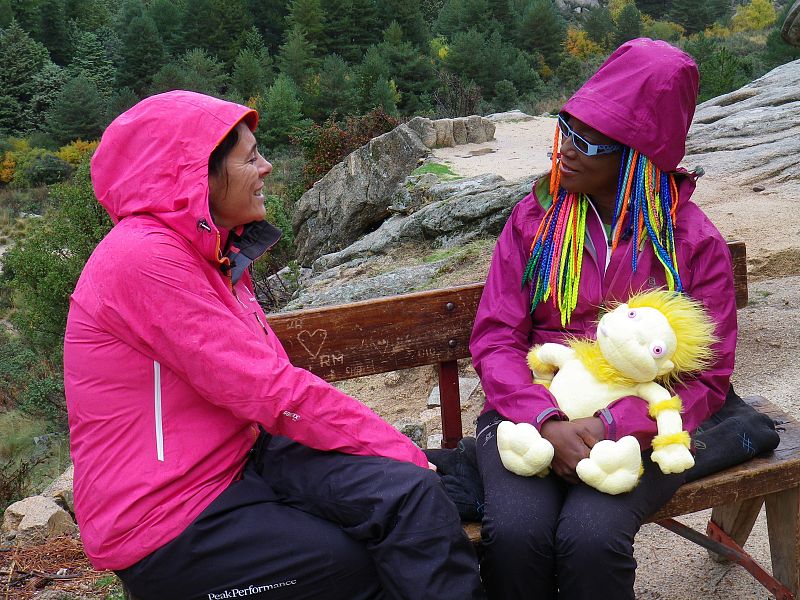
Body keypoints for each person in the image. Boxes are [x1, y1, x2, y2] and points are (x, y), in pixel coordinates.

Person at [63, 90, 484, 600]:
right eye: (250, 157)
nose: (265, 167)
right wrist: (401, 451)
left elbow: (268, 385)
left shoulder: (211, 248)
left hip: (239, 459)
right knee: (352, 564)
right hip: (168, 515)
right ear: (198, 175)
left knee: (410, 497)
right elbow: (270, 390)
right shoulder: (144, 260)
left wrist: (404, 464)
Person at [469, 38, 737, 599]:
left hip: (643, 424)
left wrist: (613, 426)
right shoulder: (534, 221)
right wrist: (545, 419)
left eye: (589, 139)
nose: (565, 148)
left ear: (638, 157)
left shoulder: (691, 242)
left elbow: (708, 379)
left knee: (591, 538)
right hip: (529, 408)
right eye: (565, 127)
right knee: (516, 533)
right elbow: (497, 337)